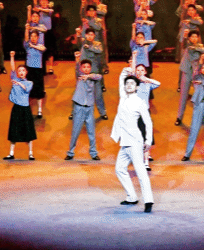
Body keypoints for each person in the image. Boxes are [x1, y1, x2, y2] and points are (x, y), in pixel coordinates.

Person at [111, 73, 154, 213]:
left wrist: (148, 140)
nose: (129, 85)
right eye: (127, 83)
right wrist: (127, 70)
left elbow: (148, 122)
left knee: (141, 171)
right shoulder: (123, 98)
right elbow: (121, 79)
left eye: (132, 83)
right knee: (119, 169)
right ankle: (132, 197)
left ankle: (148, 201)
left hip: (135, 142)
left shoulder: (139, 102)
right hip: (124, 142)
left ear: (137, 87)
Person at [64, 54, 102, 161]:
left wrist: (89, 76)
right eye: (84, 67)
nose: (86, 69)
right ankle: (70, 152)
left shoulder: (92, 77)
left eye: (88, 67)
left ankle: (93, 153)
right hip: (79, 107)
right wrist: (77, 59)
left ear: (90, 68)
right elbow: (77, 68)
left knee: (91, 132)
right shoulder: (79, 76)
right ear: (81, 68)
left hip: (89, 108)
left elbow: (99, 76)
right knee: (75, 131)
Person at [4, 51, 37, 160]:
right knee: (13, 131)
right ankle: (11, 153)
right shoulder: (15, 78)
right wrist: (12, 57)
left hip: (25, 109)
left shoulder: (29, 83)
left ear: (26, 72)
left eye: (23, 70)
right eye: (19, 71)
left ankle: (30, 153)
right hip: (16, 108)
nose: (21, 72)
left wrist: (18, 83)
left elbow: (26, 89)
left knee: (28, 132)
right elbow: (12, 68)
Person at [183, 61, 204, 162]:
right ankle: (187, 154)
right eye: (203, 68)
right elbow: (196, 76)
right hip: (198, 106)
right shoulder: (197, 77)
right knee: (194, 131)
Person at [177, 29, 204, 125]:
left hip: (196, 73)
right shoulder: (187, 45)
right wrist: (185, 36)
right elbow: (184, 44)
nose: (194, 38)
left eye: (196, 37)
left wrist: (197, 48)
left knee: (199, 95)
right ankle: (179, 117)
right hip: (186, 72)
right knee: (183, 96)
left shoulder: (199, 47)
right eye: (192, 37)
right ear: (189, 38)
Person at [23, 11, 47, 119]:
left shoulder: (40, 45)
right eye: (31, 36)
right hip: (29, 69)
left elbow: (42, 49)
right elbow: (26, 39)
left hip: (38, 70)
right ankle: (27, 109)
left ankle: (39, 110)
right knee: (28, 90)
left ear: (38, 38)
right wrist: (26, 29)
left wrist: (33, 46)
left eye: (35, 36)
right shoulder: (27, 45)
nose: (33, 38)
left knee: (39, 92)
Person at [33, 0, 56, 74]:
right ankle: (41, 68)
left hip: (48, 31)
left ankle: (51, 67)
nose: (43, 1)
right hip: (40, 32)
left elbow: (49, 11)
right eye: (42, 0)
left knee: (50, 50)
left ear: (47, 2)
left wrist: (41, 9)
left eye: (45, 1)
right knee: (41, 49)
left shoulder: (49, 8)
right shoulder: (38, 7)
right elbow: (35, 1)